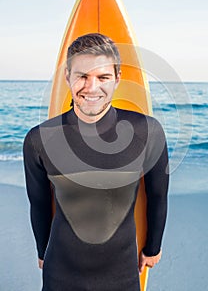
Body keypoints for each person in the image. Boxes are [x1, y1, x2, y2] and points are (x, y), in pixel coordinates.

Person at [23, 33, 169, 291]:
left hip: (122, 276)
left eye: (103, 77)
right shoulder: (39, 140)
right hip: (60, 274)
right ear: (67, 77)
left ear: (117, 79)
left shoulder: (147, 132)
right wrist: (42, 252)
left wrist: (153, 246)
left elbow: (158, 194)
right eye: (82, 76)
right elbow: (39, 204)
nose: (92, 88)